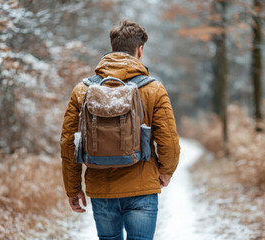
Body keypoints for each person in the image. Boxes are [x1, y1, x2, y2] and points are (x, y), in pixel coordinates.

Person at [60, 19, 180, 240]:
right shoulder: (154, 89)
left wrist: (73, 187)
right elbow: (169, 139)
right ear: (140, 50)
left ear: (112, 48)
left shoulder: (82, 90)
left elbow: (69, 141)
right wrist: (166, 171)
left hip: (101, 187)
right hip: (142, 187)